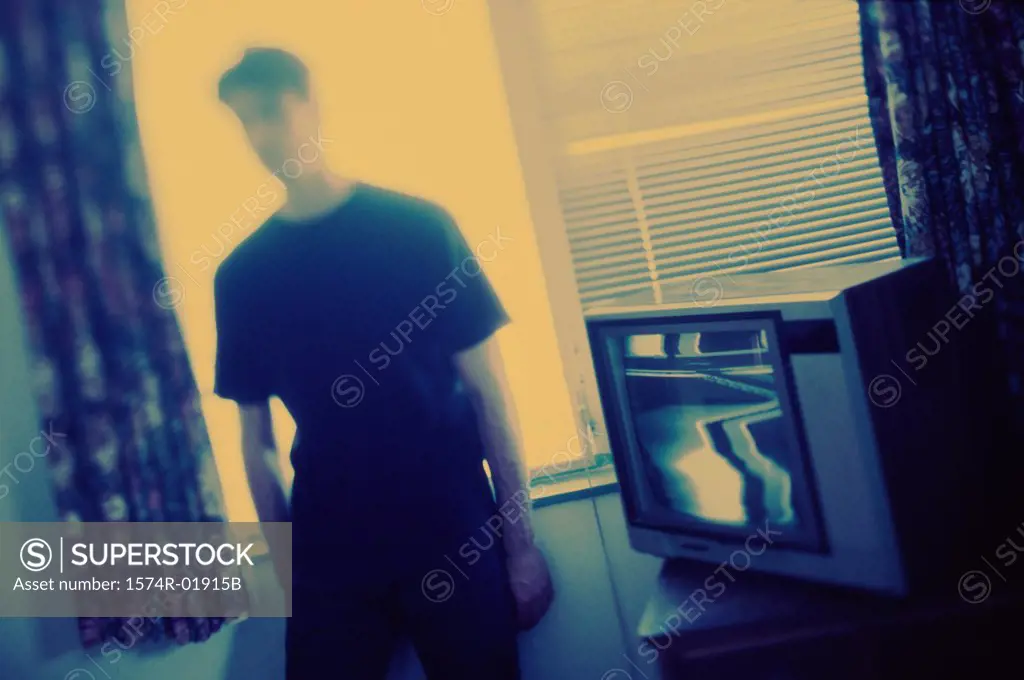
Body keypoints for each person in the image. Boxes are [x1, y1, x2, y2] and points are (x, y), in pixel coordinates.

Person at [212, 47, 553, 679]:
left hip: (448, 520)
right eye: (245, 122)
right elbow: (254, 442)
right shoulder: (241, 277)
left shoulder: (419, 229)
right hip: (328, 542)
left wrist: (521, 546)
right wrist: (292, 576)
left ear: (311, 107)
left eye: (270, 112)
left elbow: (491, 395)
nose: (260, 135)